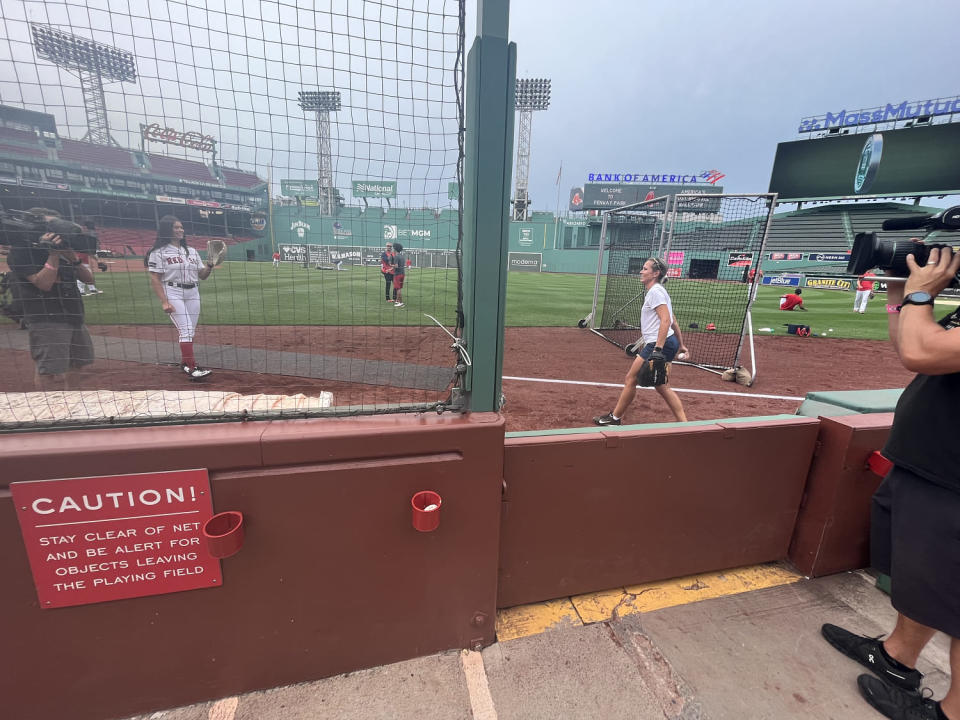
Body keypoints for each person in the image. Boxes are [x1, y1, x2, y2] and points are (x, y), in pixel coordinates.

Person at [821, 245, 960, 720]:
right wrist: (901, 290)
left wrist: (923, 298)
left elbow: (921, 352)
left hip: (954, 476)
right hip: (931, 463)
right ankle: (897, 657)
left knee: (957, 597)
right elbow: (908, 344)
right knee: (926, 580)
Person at [5, 208, 95, 390]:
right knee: (49, 369)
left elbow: (88, 279)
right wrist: (53, 254)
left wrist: (73, 259)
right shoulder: (21, 252)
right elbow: (43, 283)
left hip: (73, 313)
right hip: (46, 317)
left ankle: (72, 403)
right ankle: (49, 412)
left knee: (77, 363)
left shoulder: (65, 249)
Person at [593, 257, 690, 426]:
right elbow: (673, 320)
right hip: (668, 342)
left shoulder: (655, 292)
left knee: (631, 379)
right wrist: (680, 344)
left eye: (645, 269)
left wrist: (657, 350)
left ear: (655, 273)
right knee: (662, 386)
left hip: (659, 344)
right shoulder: (660, 291)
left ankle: (615, 418)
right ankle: (684, 425)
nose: (641, 271)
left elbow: (666, 320)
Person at [145, 215, 216, 380]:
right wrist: (164, 301)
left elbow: (203, 275)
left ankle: (185, 363)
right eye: (176, 227)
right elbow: (155, 278)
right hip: (172, 292)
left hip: (193, 293)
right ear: (167, 230)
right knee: (185, 329)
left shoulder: (191, 251)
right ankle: (192, 368)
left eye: (181, 227)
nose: (180, 230)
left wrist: (210, 265)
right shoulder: (159, 252)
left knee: (190, 330)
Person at [75, 218, 102, 296]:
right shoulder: (83, 239)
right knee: (82, 275)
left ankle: (92, 289)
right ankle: (81, 291)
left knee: (88, 274)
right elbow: (90, 252)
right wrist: (98, 261)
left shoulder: (80, 238)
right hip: (80, 259)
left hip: (82, 259)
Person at [391, 242, 406, 308]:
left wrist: (391, 266)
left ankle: (401, 302)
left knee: (398, 288)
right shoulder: (402, 256)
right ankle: (397, 300)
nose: (392, 249)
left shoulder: (396, 256)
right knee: (399, 287)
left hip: (397, 274)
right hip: (402, 274)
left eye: (393, 247)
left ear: (395, 249)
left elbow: (396, 266)